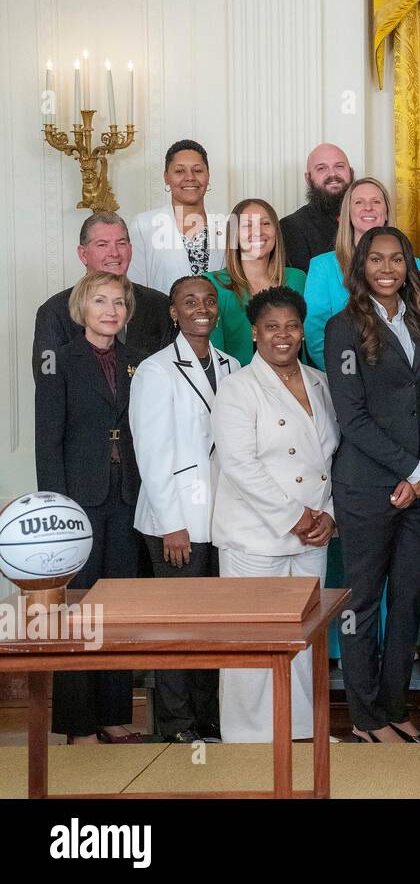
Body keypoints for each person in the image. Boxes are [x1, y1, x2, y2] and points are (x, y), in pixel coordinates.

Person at [324, 227, 420, 744]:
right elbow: (353, 418)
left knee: (410, 600)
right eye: (377, 259)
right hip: (367, 486)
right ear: (362, 266)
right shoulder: (342, 327)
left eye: (397, 259)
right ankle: (366, 717)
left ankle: (394, 705)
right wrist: (411, 471)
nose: (387, 268)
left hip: (416, 487)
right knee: (363, 603)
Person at [210, 287, 339, 742]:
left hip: (312, 534)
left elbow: (329, 461)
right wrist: (295, 517)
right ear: (255, 333)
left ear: (303, 332)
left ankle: (300, 732)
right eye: (271, 327)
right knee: (252, 641)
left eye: (291, 326)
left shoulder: (321, 382)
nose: (282, 336)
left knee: (303, 638)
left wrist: (327, 515)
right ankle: (247, 739)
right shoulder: (237, 388)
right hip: (256, 535)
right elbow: (241, 464)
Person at [34, 270, 145, 744]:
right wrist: (57, 509)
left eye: (118, 302)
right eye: (101, 301)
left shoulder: (140, 361)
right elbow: (47, 440)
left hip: (127, 497)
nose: (110, 310)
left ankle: (113, 714)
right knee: (79, 610)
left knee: (117, 607)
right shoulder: (59, 361)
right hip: (78, 498)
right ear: (83, 307)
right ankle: (77, 723)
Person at [130, 275, 239, 743]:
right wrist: (173, 525)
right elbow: (151, 453)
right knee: (179, 627)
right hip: (175, 520)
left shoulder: (233, 365)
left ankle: (210, 719)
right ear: (173, 312)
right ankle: (177, 725)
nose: (201, 307)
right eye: (189, 301)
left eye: (209, 300)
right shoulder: (155, 370)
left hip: (223, 518)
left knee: (213, 626)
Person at [33, 212, 173, 380]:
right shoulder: (54, 311)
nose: (114, 253)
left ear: (130, 250)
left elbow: (173, 374)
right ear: (83, 254)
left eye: (121, 243)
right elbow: (48, 382)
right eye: (102, 245)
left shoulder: (160, 305)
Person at [302, 176, 393, 367]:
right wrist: (344, 377)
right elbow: (316, 335)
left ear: (386, 212)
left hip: (399, 379)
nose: (368, 207)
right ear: (348, 213)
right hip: (344, 378)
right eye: (359, 202)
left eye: (376, 201)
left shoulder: (412, 264)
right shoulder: (323, 267)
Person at [206, 198, 307, 366]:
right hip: (236, 386)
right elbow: (213, 356)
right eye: (247, 226)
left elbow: (308, 343)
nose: (258, 232)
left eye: (265, 223)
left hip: (293, 384)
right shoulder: (214, 285)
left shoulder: (297, 279)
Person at [128, 139, 223, 292]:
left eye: (197, 170)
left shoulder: (225, 226)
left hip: (218, 315)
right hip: (160, 315)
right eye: (179, 171)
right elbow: (135, 287)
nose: (190, 177)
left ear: (208, 175)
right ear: (166, 177)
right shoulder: (143, 225)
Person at [280, 143, 355, 274]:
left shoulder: (369, 217)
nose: (332, 174)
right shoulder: (291, 227)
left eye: (339, 166)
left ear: (351, 172)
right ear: (308, 178)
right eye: (321, 168)